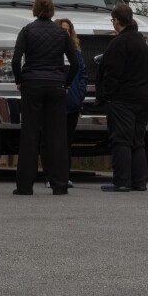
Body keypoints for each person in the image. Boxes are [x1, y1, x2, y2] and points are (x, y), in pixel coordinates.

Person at [12, 0, 78, 196]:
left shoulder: (27, 31)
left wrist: (19, 80)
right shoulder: (61, 33)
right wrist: (65, 83)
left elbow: (16, 60)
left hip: (32, 85)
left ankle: (24, 186)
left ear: (34, 9)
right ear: (52, 11)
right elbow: (74, 63)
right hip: (56, 85)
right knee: (56, 136)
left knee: (30, 135)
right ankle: (59, 184)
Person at [96, 4, 148, 192]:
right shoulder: (142, 42)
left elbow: (112, 74)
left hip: (122, 99)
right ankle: (140, 181)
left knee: (121, 140)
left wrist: (106, 96)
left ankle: (121, 181)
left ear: (117, 20)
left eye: (113, 20)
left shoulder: (119, 43)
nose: (113, 23)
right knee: (138, 141)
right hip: (143, 98)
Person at [42, 18, 87, 189]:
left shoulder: (76, 53)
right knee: (50, 140)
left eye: (69, 30)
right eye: (63, 29)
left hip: (72, 104)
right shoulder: (51, 52)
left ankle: (64, 175)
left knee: (67, 141)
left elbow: (83, 74)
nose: (66, 32)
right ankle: (49, 176)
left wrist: (80, 94)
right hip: (54, 102)